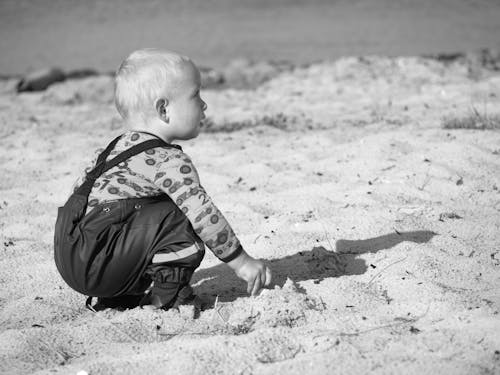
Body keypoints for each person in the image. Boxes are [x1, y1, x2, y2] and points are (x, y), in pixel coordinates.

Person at [62, 48, 272, 310]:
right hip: (102, 260)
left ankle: (118, 296)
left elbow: (81, 195)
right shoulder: (166, 159)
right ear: (163, 109)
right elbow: (204, 215)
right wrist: (241, 262)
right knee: (183, 216)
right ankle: (169, 298)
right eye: (196, 95)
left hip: (72, 252)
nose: (204, 104)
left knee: (148, 214)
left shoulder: (113, 149)